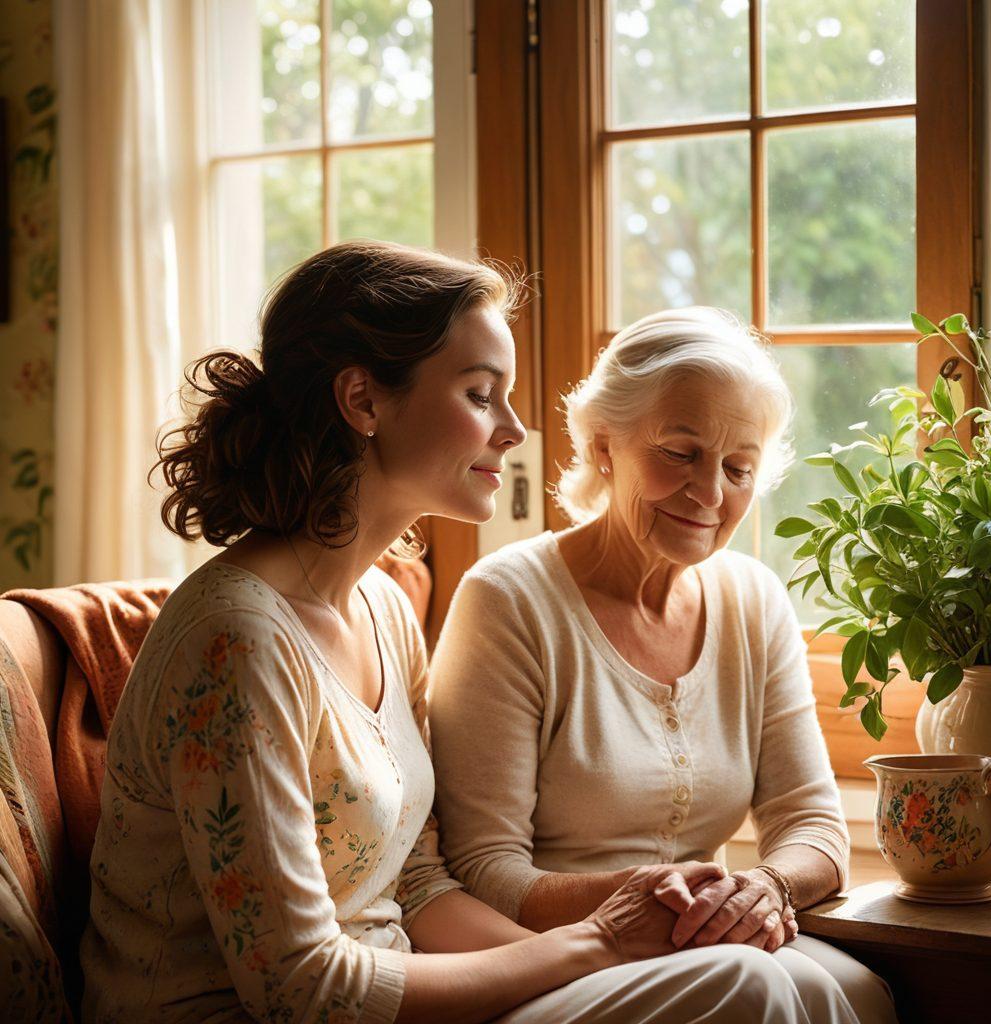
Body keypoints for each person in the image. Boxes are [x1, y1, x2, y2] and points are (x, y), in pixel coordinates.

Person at [79, 246, 816, 1024]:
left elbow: (418, 886)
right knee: (747, 986)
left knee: (788, 978)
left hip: (402, 993)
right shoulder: (237, 641)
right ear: (362, 401)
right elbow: (302, 990)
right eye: (480, 393)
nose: (514, 429)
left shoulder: (385, 609)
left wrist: (600, 959)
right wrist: (599, 945)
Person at [428, 307, 901, 1023]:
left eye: (738, 467)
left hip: (704, 932)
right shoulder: (508, 599)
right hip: (552, 950)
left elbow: (812, 824)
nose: (711, 494)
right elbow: (484, 871)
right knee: (761, 986)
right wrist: (658, 899)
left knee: (863, 991)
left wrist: (764, 887)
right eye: (681, 453)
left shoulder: (753, 600)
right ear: (602, 444)